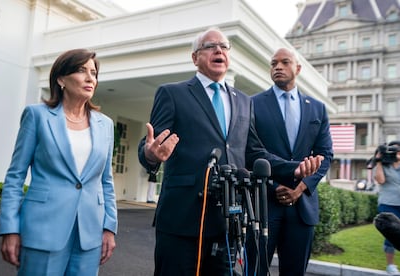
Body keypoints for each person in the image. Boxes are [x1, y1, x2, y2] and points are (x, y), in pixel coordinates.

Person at [138, 27, 324, 275]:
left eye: (224, 47)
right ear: (195, 57)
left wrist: (295, 169)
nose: (219, 50)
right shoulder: (173, 93)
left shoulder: (243, 100)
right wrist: (151, 154)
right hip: (181, 219)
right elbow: (151, 142)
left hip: (227, 222)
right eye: (210, 46)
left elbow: (256, 152)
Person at [0, 49, 118, 275]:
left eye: (94, 72)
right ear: (61, 78)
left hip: (89, 235)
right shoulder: (37, 116)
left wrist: (109, 227)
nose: (90, 78)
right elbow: (15, 176)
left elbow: (106, 181)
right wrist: (10, 229)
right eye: (82, 70)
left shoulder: (106, 125)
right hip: (42, 230)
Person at [250, 48, 333, 275]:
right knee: (255, 270)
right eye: (273, 63)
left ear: (297, 68)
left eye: (285, 62)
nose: (277, 67)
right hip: (264, 204)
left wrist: (301, 187)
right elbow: (250, 152)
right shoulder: (252, 104)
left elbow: (325, 154)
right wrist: (275, 185)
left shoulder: (317, 108)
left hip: (302, 206)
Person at [374, 141, 400, 275]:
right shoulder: (384, 165)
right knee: (391, 235)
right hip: (388, 204)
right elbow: (380, 180)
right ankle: (390, 265)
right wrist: (378, 161)